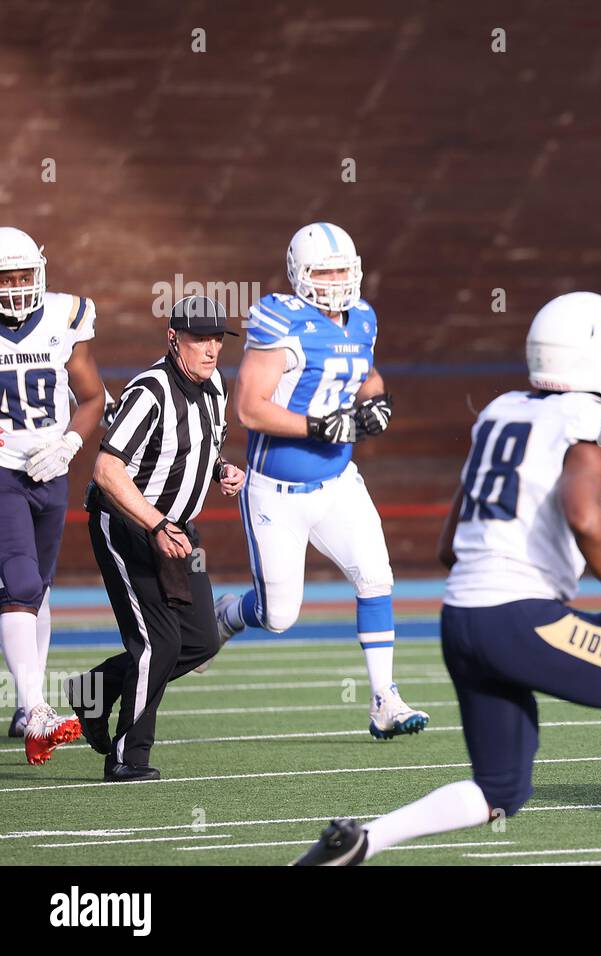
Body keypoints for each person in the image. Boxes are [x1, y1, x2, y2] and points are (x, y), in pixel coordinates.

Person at [295, 292, 601, 866]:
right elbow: (585, 514)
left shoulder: (502, 409)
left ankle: (361, 841)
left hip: (460, 619)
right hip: (517, 616)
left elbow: (447, 545)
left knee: (501, 790)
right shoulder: (595, 419)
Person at [209, 222, 426, 738]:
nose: (334, 281)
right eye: (323, 271)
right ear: (299, 275)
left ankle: (384, 701)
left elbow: (364, 375)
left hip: (337, 482)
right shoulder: (279, 320)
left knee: (376, 578)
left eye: (342, 271)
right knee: (278, 616)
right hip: (275, 492)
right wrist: (317, 425)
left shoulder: (363, 319)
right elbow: (249, 408)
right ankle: (230, 614)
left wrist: (377, 402)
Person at [65, 295, 244, 782]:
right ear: (173, 338)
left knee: (202, 642)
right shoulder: (150, 391)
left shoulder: (215, 388)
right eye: (199, 339)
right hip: (127, 524)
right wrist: (156, 524)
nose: (210, 350)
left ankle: (93, 690)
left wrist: (221, 471)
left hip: (180, 532)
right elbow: (107, 470)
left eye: (216, 340)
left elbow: (195, 451)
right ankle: (127, 758)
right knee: (159, 645)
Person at [0, 226, 106, 764]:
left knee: (37, 589)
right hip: (1, 471)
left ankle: (25, 703)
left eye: (24, 276)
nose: (17, 287)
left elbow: (92, 397)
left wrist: (69, 444)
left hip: (51, 470)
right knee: (17, 581)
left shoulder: (65, 316)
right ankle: (39, 709)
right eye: (5, 278)